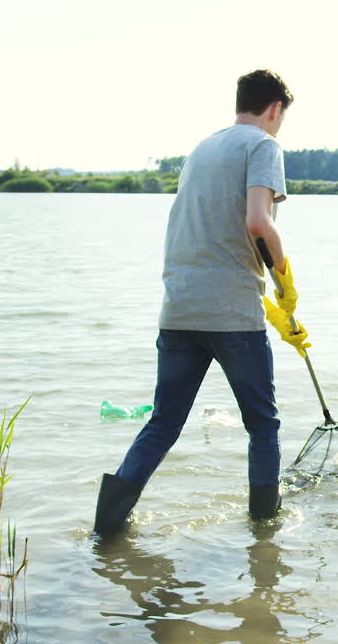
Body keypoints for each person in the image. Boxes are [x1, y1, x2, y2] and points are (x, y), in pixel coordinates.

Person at [93, 69, 312, 538]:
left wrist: (272, 309)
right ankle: (264, 535)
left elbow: (215, 233)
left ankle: (107, 529)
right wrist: (284, 281)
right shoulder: (263, 146)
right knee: (263, 426)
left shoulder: (202, 148)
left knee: (163, 424)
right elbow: (257, 222)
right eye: (281, 117)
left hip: (179, 309)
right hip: (231, 315)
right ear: (275, 109)